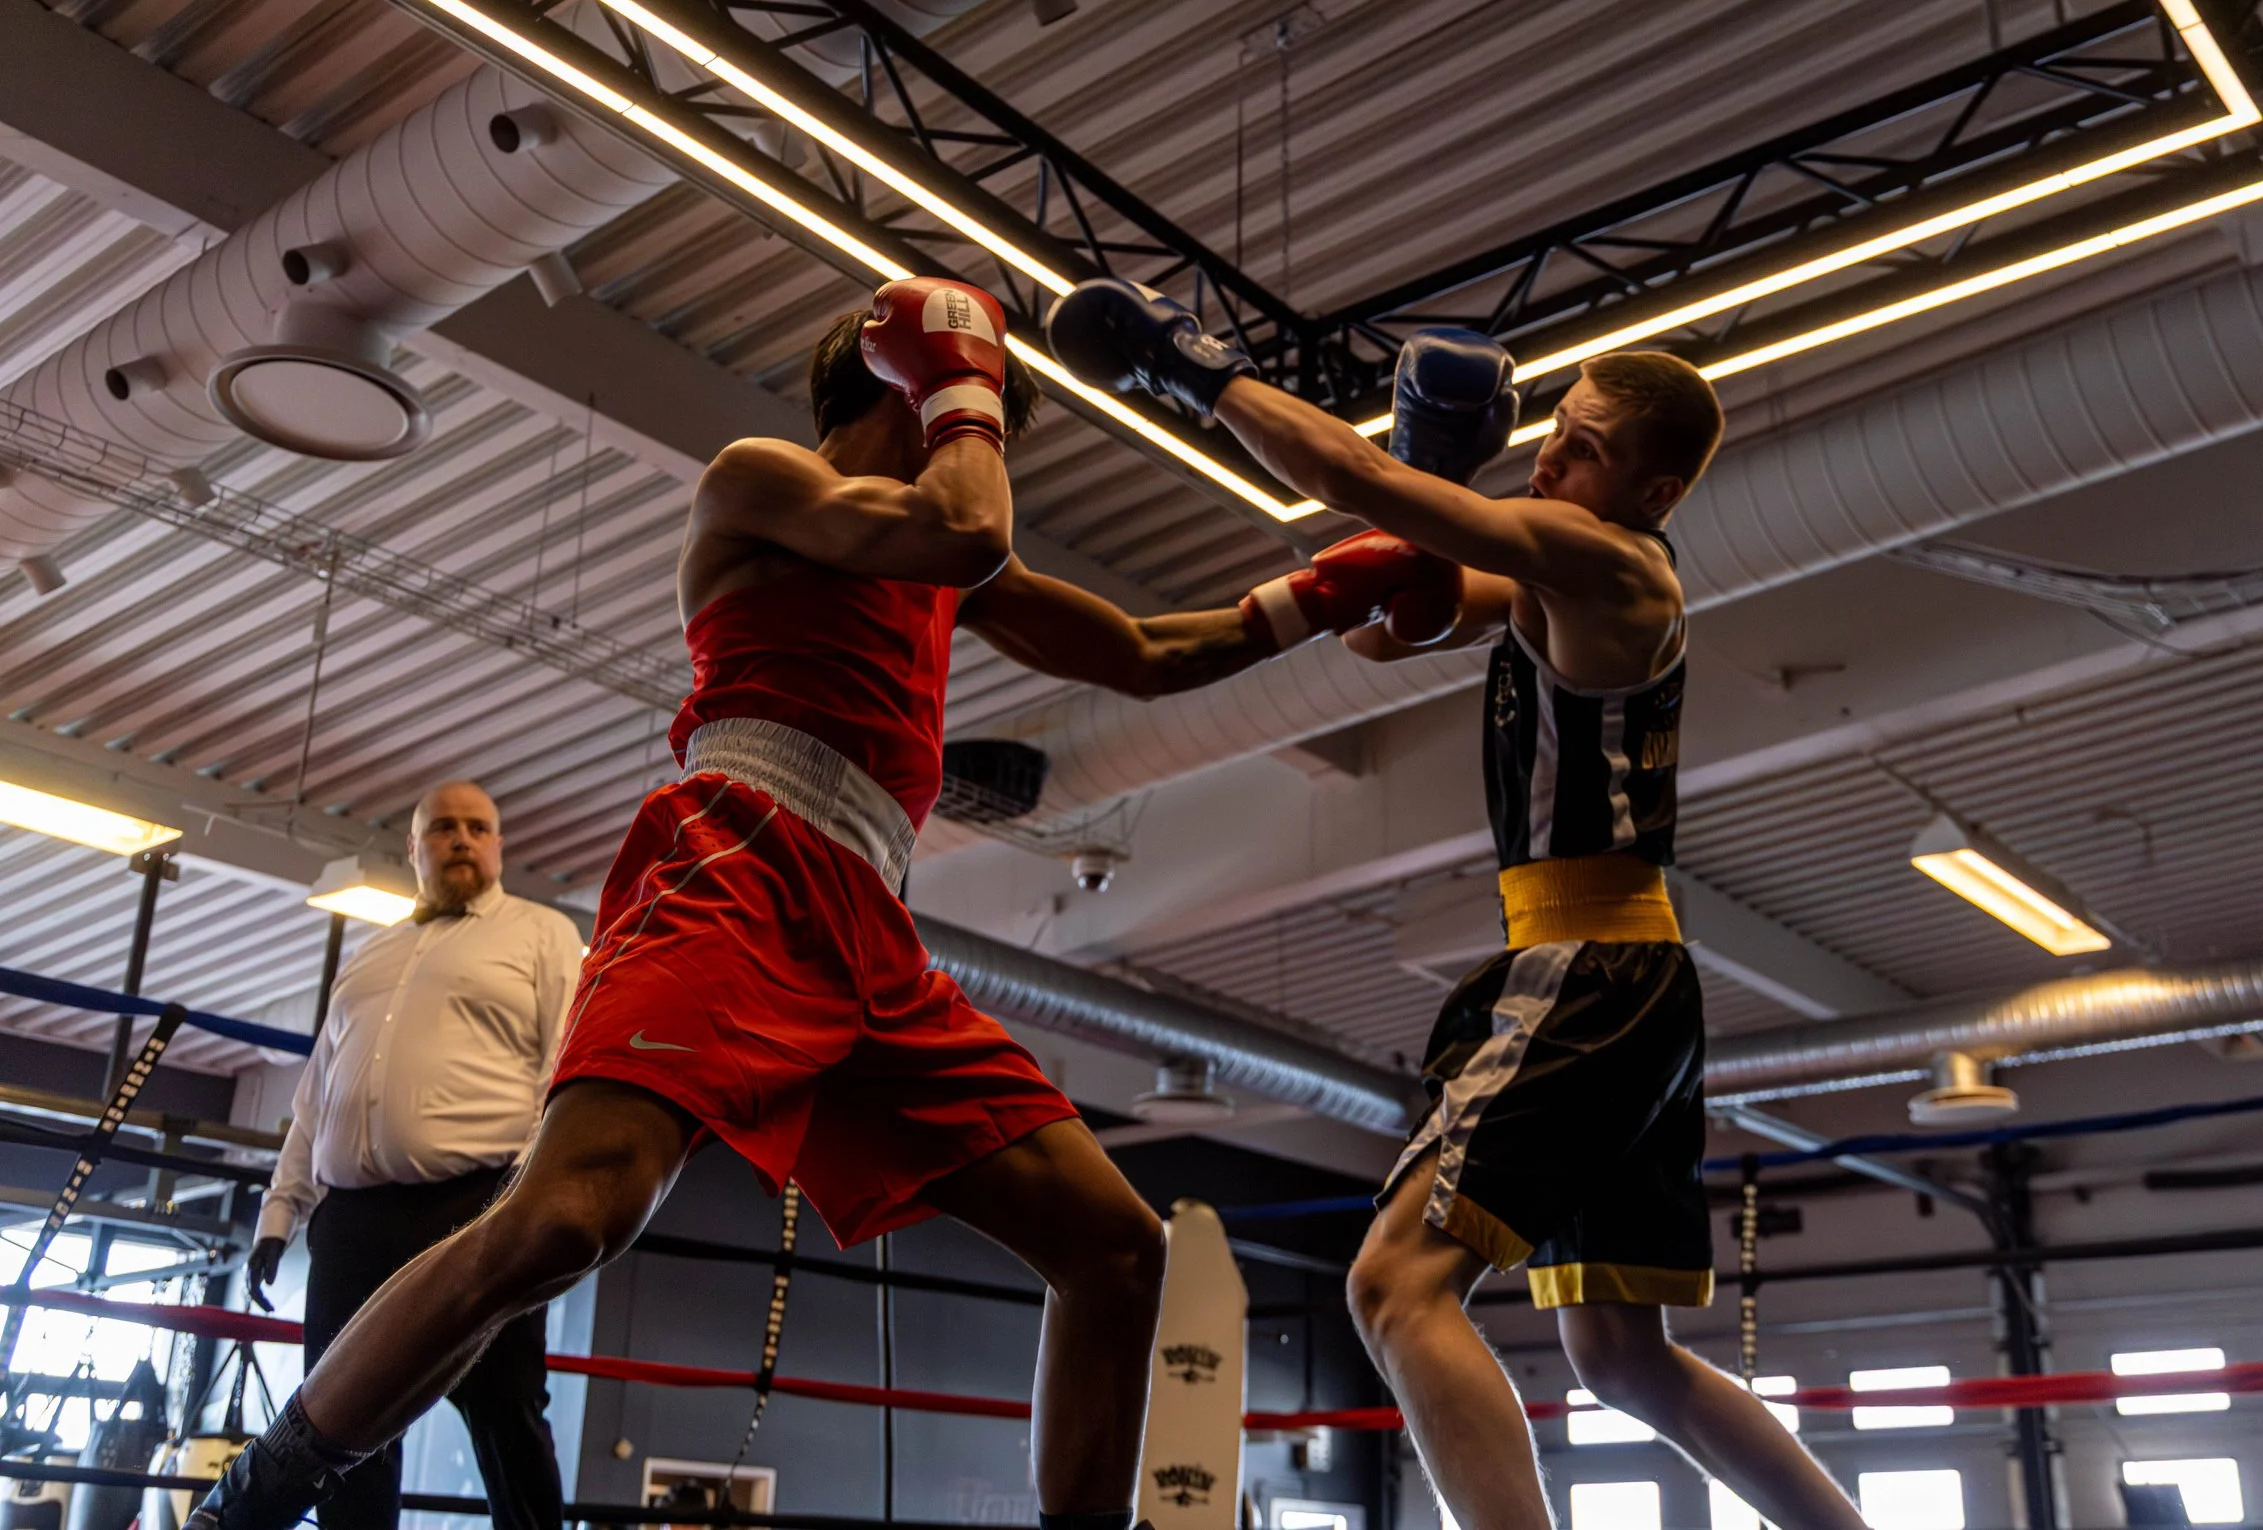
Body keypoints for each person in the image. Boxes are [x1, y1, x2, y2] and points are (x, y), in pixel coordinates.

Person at [188, 277, 1462, 1530]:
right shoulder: (762, 479)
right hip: (731, 863)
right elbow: (964, 528)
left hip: (869, 926)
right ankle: (254, 1499)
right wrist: (965, 387)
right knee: (565, 1219)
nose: (995, 441)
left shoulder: (949, 537)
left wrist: (1329, 590)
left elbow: (1145, 654)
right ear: (909, 383)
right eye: (984, 409)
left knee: (1116, 1246)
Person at [1047, 284, 1870, 1530]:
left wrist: (1189, 369)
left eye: (1584, 449)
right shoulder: (1556, 567)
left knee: (1392, 1285)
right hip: (1622, 972)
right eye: (1558, 427)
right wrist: (1407, 561)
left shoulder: (1607, 565)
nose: (1550, 453)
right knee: (1620, 1357)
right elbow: (1396, 630)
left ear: (1652, 493)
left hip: (1590, 966)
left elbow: (1354, 479)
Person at [249, 782, 580, 1530]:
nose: (461, 838)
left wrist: (528, 1197)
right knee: (339, 1420)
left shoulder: (541, 932)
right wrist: (280, 1211)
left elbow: (562, 1066)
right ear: (414, 846)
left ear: (499, 844)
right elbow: (317, 1093)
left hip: (476, 1207)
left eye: (477, 826)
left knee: (505, 1409)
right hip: (353, 1220)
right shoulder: (371, 953)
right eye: (442, 827)